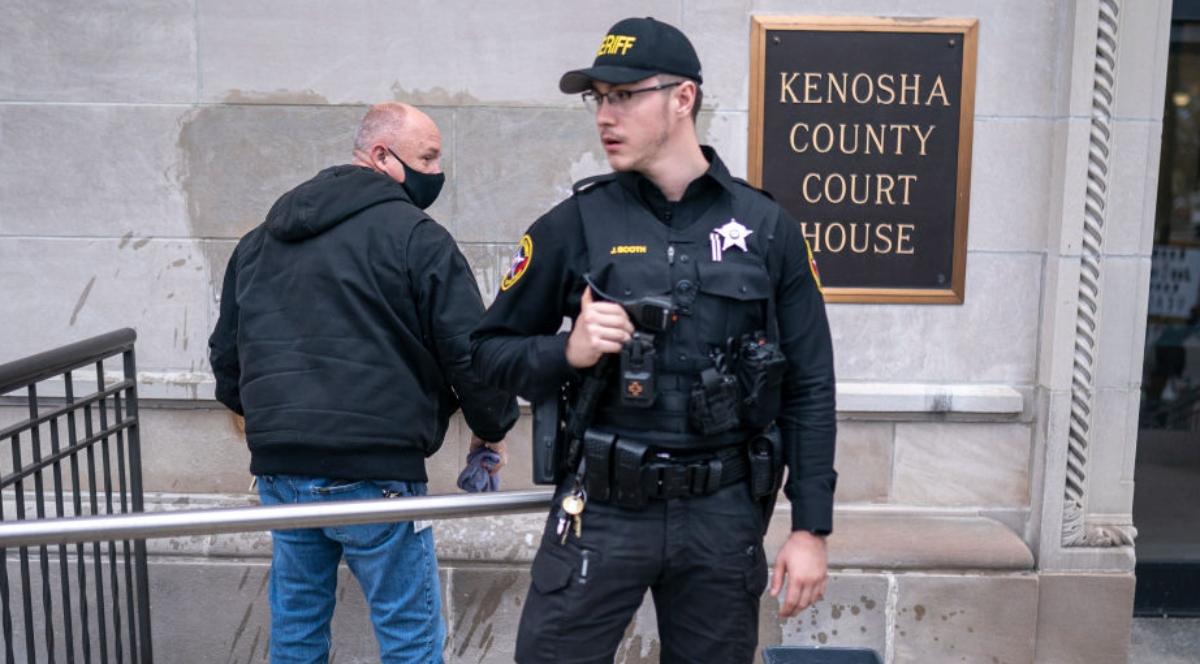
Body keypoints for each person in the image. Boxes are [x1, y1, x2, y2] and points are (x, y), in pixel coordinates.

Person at [471, 17, 836, 663]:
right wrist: (569, 350)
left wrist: (810, 526)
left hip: (722, 512)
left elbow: (809, 385)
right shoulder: (575, 224)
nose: (605, 116)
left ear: (682, 98)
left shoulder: (766, 227)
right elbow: (485, 355)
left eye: (624, 95)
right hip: (603, 508)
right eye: (598, 98)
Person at [208, 101, 517, 664]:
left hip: (282, 471)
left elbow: (226, 357)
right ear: (381, 155)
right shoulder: (418, 237)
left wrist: (266, 419)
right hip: (379, 474)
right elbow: (471, 352)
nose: (436, 171)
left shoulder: (259, 241)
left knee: (296, 633)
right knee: (409, 639)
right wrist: (491, 427)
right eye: (427, 156)